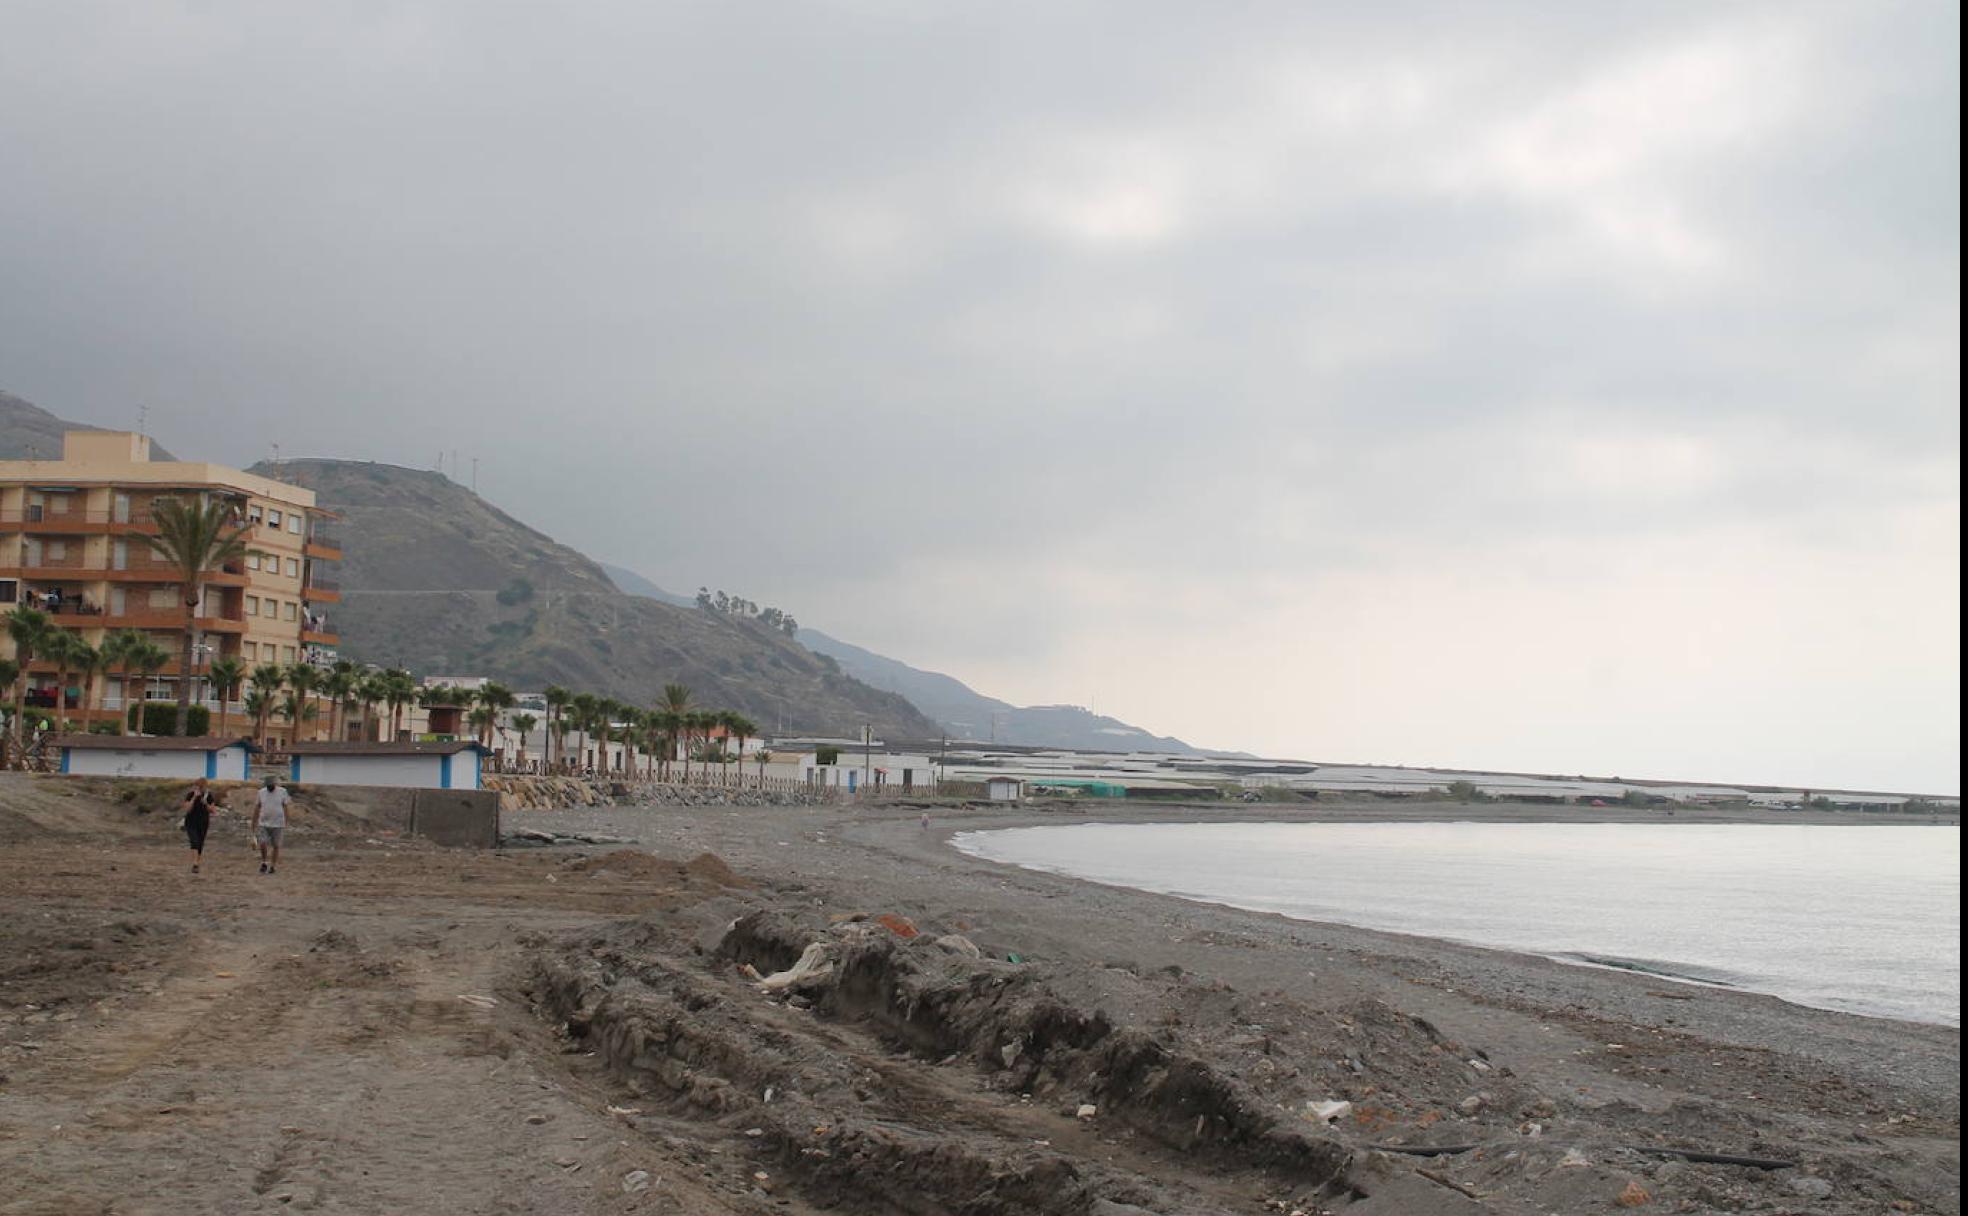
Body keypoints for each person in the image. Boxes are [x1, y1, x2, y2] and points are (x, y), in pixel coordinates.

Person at [251, 774, 291, 875]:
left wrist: (287, 820)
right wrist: (253, 821)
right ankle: (264, 862)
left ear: (275, 784)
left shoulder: (282, 792)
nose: (270, 787)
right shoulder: (261, 793)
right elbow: (257, 807)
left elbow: (285, 807)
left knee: (276, 845)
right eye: (268, 785)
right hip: (263, 822)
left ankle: (273, 865)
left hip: (278, 823)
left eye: (271, 785)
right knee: (263, 843)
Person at [180, 777, 217, 873]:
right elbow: (187, 809)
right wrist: (194, 798)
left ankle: (197, 862)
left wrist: (205, 804)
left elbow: (213, 810)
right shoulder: (190, 795)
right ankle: (195, 864)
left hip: (203, 822)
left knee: (200, 843)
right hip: (191, 822)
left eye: (202, 787)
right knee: (194, 841)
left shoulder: (208, 796)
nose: (200, 789)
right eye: (198, 787)